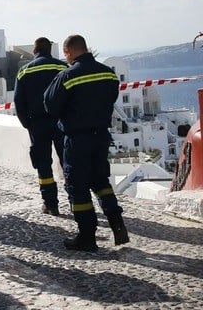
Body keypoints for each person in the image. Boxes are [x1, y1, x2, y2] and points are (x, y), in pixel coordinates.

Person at [43, 34, 129, 251]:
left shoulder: (68, 76)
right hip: (101, 136)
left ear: (68, 52)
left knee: (77, 185)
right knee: (100, 181)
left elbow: (50, 105)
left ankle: (87, 236)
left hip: (77, 138)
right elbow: (111, 98)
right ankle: (117, 223)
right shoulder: (109, 74)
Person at [13, 37, 68, 215]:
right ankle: (76, 200)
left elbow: (18, 102)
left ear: (34, 51)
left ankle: (50, 204)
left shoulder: (24, 71)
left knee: (43, 165)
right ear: (50, 50)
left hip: (37, 125)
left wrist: (27, 124)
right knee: (68, 162)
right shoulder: (63, 68)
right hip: (61, 123)